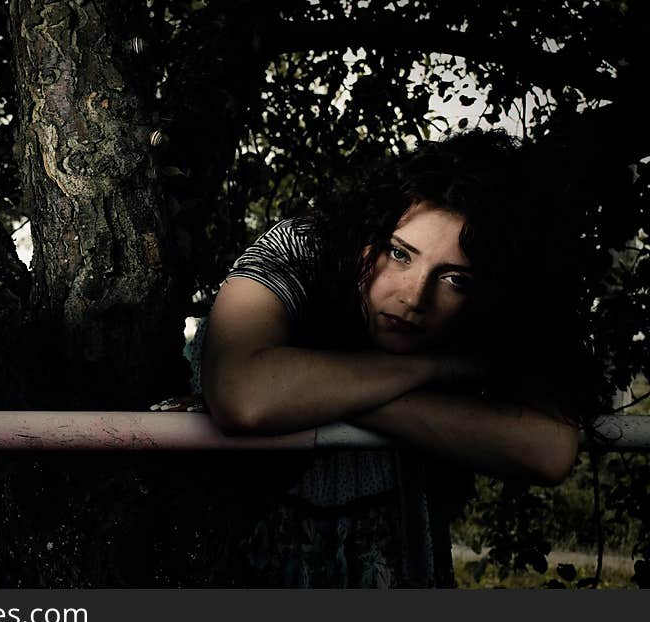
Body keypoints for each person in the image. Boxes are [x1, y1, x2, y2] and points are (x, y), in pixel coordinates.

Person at [196, 129, 597, 587]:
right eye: (400, 254)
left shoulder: (507, 307)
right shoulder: (303, 247)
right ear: (369, 233)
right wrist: (433, 369)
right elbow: (242, 393)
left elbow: (548, 449)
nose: (414, 296)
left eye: (455, 280)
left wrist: (314, 392)